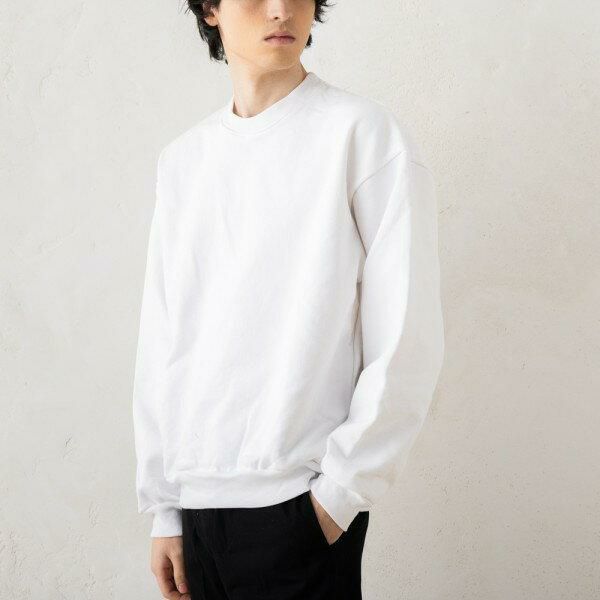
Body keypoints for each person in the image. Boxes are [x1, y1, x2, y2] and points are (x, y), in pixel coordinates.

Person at [132, 1, 445, 598]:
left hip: (302, 509)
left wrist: (338, 498)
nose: (281, 9)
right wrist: (165, 509)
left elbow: (408, 335)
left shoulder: (361, 134)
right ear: (211, 9)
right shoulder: (183, 161)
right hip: (196, 514)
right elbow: (163, 338)